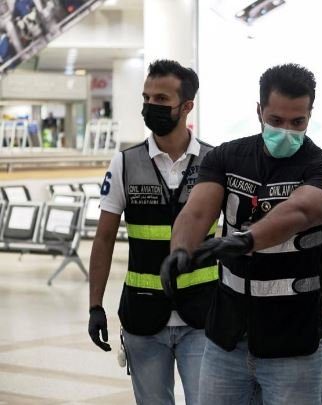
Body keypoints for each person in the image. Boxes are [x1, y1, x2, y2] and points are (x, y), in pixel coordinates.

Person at [161, 63, 322, 405]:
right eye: (276, 120)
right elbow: (197, 211)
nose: (286, 131)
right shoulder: (227, 157)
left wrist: (246, 240)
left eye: (297, 122)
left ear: (310, 115)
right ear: (259, 111)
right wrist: (180, 250)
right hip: (226, 341)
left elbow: (301, 210)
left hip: (295, 345)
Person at [87, 59, 218, 405]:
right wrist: (95, 305)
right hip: (143, 317)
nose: (150, 106)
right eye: (147, 98)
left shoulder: (214, 162)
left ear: (186, 106)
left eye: (161, 99)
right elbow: (104, 238)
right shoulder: (125, 163)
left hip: (202, 316)